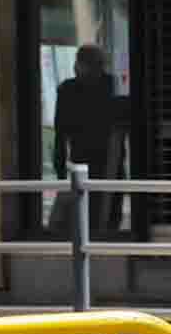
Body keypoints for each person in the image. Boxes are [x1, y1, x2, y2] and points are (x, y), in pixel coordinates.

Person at [52, 43, 125, 241]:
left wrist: (59, 169)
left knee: (89, 216)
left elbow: (60, 134)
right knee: (107, 215)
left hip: (90, 161)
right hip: (105, 161)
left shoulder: (69, 90)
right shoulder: (112, 85)